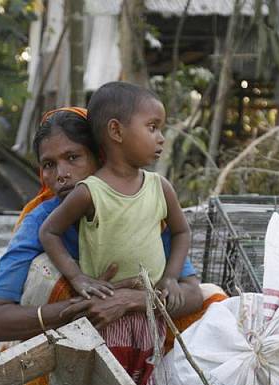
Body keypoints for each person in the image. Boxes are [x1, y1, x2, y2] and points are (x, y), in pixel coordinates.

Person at [0, 107, 222, 385]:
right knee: (44, 271)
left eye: (73, 157)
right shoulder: (41, 222)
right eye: (48, 165)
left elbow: (191, 291)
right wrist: (79, 309)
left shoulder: (142, 205)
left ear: (101, 157)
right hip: (67, 357)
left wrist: (132, 301)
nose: (61, 175)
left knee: (214, 300)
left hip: (143, 340)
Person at [40, 82, 190, 316]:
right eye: (152, 127)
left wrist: (171, 278)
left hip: (149, 314)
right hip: (106, 313)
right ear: (116, 131)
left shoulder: (160, 188)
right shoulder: (90, 192)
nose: (161, 138)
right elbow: (48, 232)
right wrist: (78, 277)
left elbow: (182, 232)